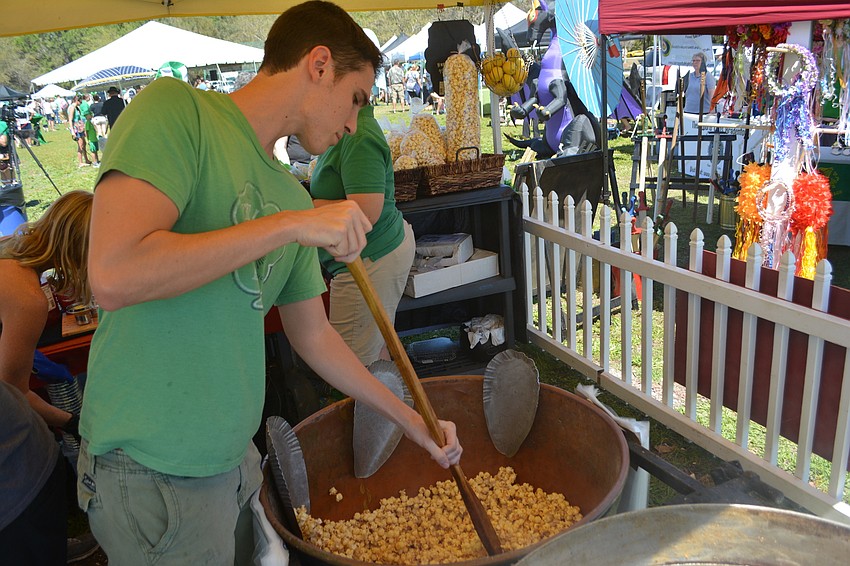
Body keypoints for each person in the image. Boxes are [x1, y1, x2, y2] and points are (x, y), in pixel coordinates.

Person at [78, 2, 462, 564]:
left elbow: (316, 338)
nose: (355, 124)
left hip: (234, 464)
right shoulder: (177, 111)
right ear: (320, 64)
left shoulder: (288, 191)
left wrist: (412, 419)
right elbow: (113, 273)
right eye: (356, 98)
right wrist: (292, 224)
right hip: (152, 469)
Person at [310, 104, 415, 365]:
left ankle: (382, 405)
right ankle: (396, 404)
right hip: (365, 258)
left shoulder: (359, 135)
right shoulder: (349, 129)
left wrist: (301, 208)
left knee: (353, 366)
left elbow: (364, 214)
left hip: (369, 259)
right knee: (373, 356)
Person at [66, 95, 91, 168]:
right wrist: (73, 132)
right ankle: (80, 162)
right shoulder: (72, 107)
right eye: (80, 101)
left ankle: (86, 159)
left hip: (80, 126)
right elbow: (70, 120)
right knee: (80, 145)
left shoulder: (77, 107)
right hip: (76, 128)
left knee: (84, 143)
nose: (81, 103)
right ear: (77, 101)